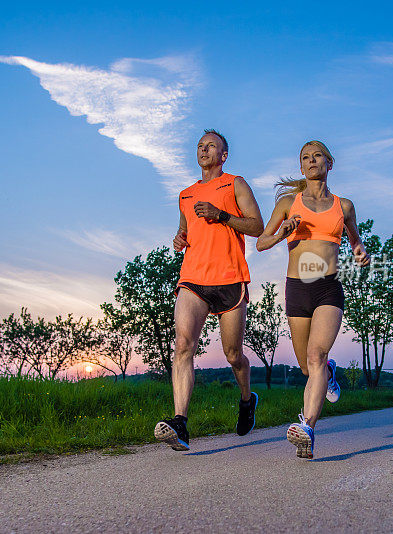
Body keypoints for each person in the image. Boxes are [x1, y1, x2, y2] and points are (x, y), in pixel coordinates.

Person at [256, 140, 370, 459]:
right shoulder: (287, 203)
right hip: (297, 287)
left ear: (329, 163)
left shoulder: (344, 206)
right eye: (305, 157)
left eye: (317, 155)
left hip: (328, 287)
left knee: (317, 355)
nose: (311, 160)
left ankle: (307, 427)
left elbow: (355, 240)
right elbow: (261, 243)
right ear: (301, 167)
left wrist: (360, 252)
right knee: (308, 368)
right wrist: (283, 232)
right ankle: (329, 375)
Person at [154, 129, 264, 451]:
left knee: (233, 355)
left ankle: (246, 400)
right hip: (193, 279)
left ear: (223, 155)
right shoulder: (185, 194)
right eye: (200, 146)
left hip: (230, 278)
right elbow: (184, 229)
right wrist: (179, 239)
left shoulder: (235, 184)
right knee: (183, 345)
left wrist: (223, 216)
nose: (203, 150)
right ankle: (180, 423)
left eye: (210, 146)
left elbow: (257, 226)